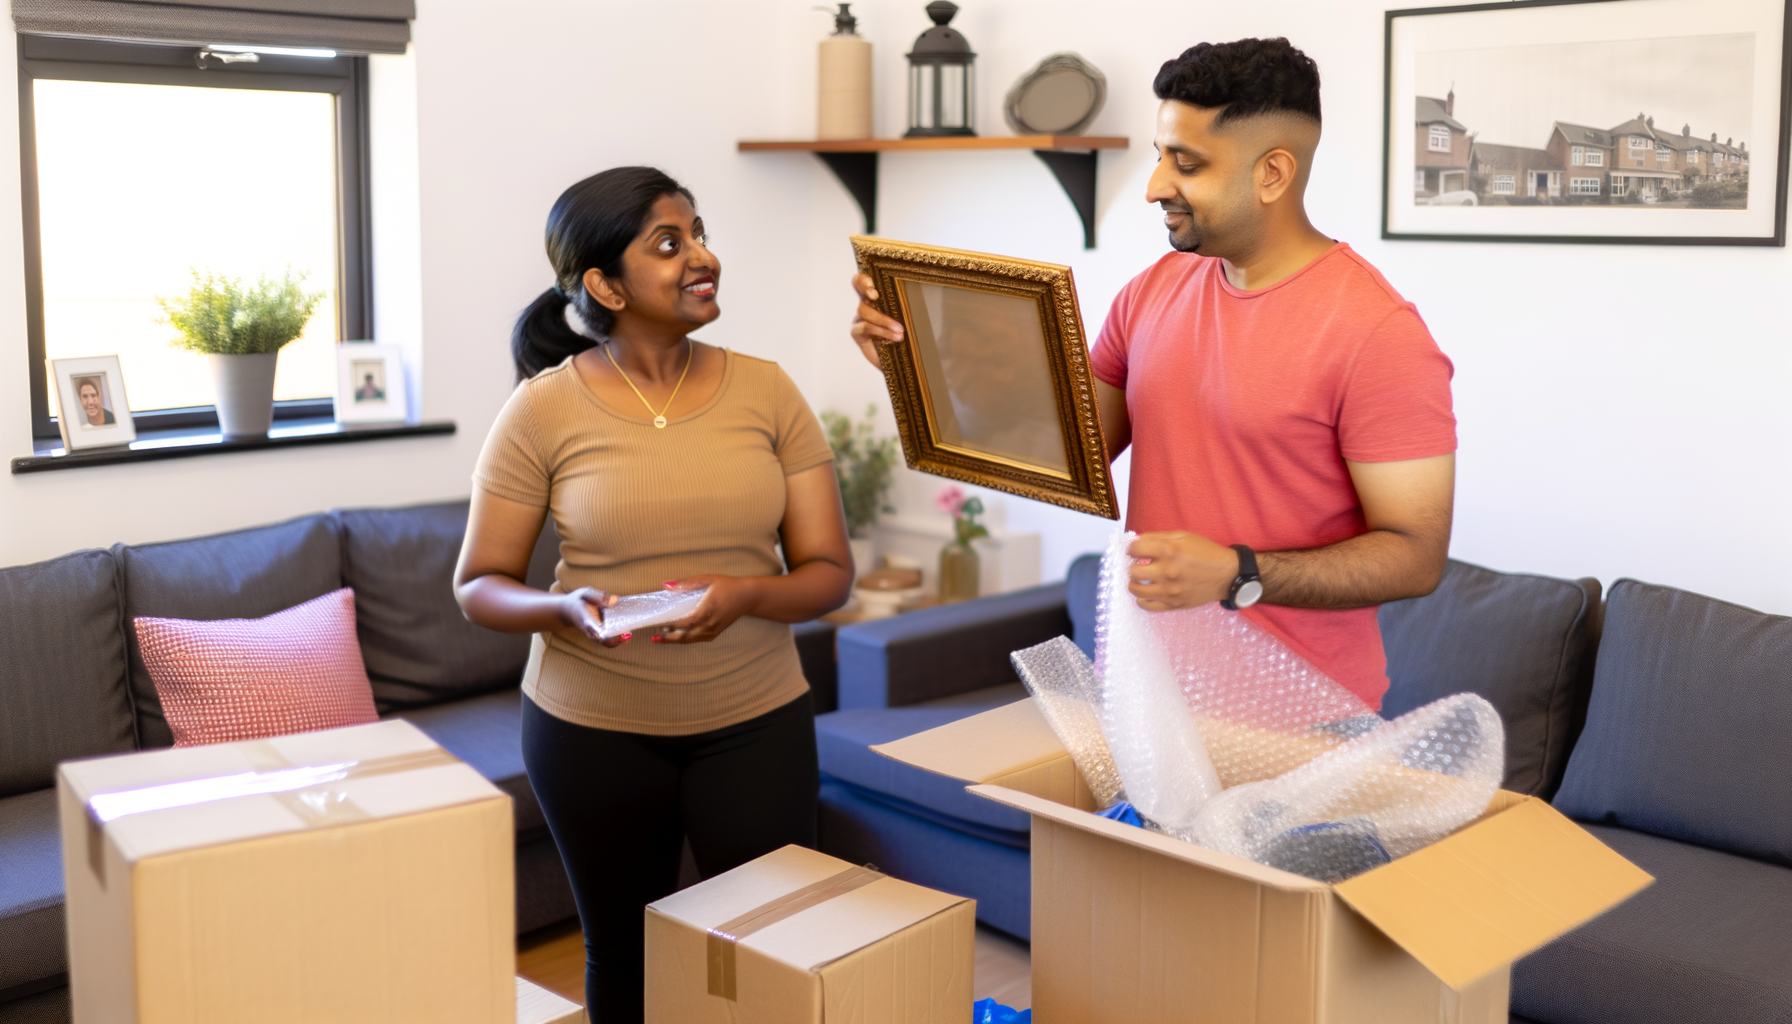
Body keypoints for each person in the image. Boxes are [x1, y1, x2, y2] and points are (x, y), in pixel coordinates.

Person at [851, 39, 1456, 711]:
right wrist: (916, 371)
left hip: (1299, 726)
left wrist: (1237, 571)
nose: (1155, 186)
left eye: (1187, 164)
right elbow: (1068, 452)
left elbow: (1416, 555)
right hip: (1146, 700)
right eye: (1160, 156)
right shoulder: (1152, 291)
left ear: (1272, 174)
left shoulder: (1378, 333)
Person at [453, 167, 852, 1021]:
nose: (702, 256)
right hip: (590, 729)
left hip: (755, 721)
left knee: (779, 947)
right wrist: (562, 610)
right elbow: (479, 586)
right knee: (625, 959)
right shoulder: (540, 411)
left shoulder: (769, 391)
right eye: (669, 244)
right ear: (605, 284)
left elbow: (828, 572)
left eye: (700, 233)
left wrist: (745, 593)